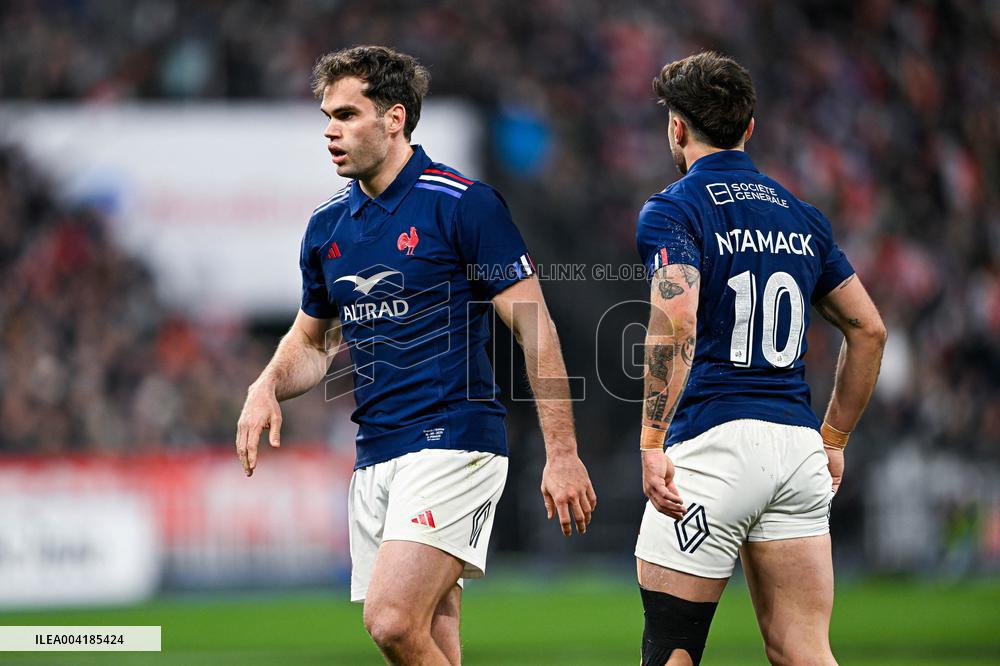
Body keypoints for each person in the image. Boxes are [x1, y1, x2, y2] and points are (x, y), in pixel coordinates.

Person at [235, 45, 596, 665]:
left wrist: (562, 453)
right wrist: (264, 385)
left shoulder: (462, 204)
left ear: (395, 118)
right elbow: (312, 342)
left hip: (454, 440)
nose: (329, 130)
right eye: (326, 115)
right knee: (433, 638)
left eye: (346, 115)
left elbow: (536, 331)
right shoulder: (327, 229)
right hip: (376, 453)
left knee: (392, 622)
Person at [633, 52, 887, 665]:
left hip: (713, 448)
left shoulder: (674, 208)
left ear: (677, 128)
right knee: (804, 650)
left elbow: (679, 317)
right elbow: (870, 330)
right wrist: (834, 439)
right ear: (750, 128)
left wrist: (650, 440)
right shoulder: (803, 217)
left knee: (672, 651)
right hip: (796, 449)